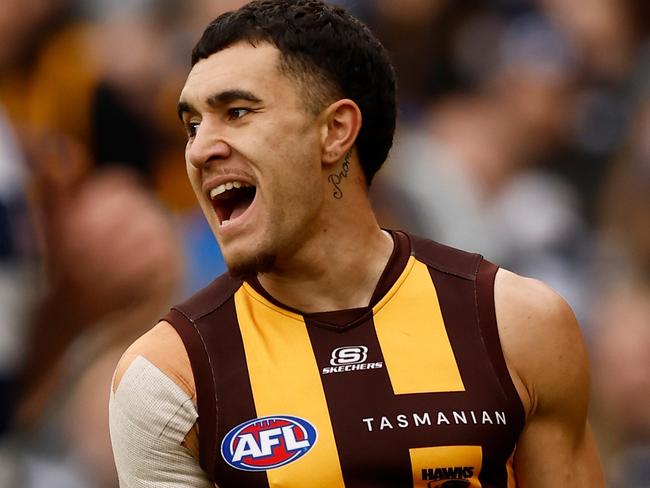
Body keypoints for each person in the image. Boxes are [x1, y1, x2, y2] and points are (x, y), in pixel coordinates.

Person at [108, 1, 605, 486]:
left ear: (335, 131)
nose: (200, 150)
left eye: (236, 112)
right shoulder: (168, 379)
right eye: (192, 126)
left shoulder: (516, 324)